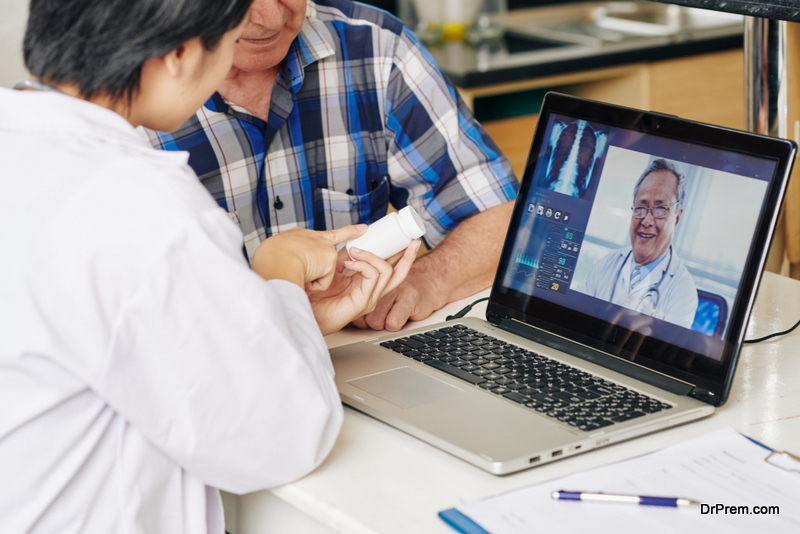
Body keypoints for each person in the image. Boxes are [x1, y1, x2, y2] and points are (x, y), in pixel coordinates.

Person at [0, 0, 418, 532]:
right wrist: (279, 275)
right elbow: (281, 437)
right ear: (178, 53)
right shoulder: (143, 207)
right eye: (226, 39)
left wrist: (279, 315)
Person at [141, 0, 519, 332]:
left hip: (352, 361)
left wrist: (424, 282)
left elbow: (504, 220)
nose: (270, 17)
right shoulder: (123, 97)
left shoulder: (377, 46)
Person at [580, 158, 698, 328]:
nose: (647, 220)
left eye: (660, 209)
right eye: (641, 207)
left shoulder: (683, 291)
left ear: (677, 218)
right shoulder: (607, 263)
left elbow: (662, 352)